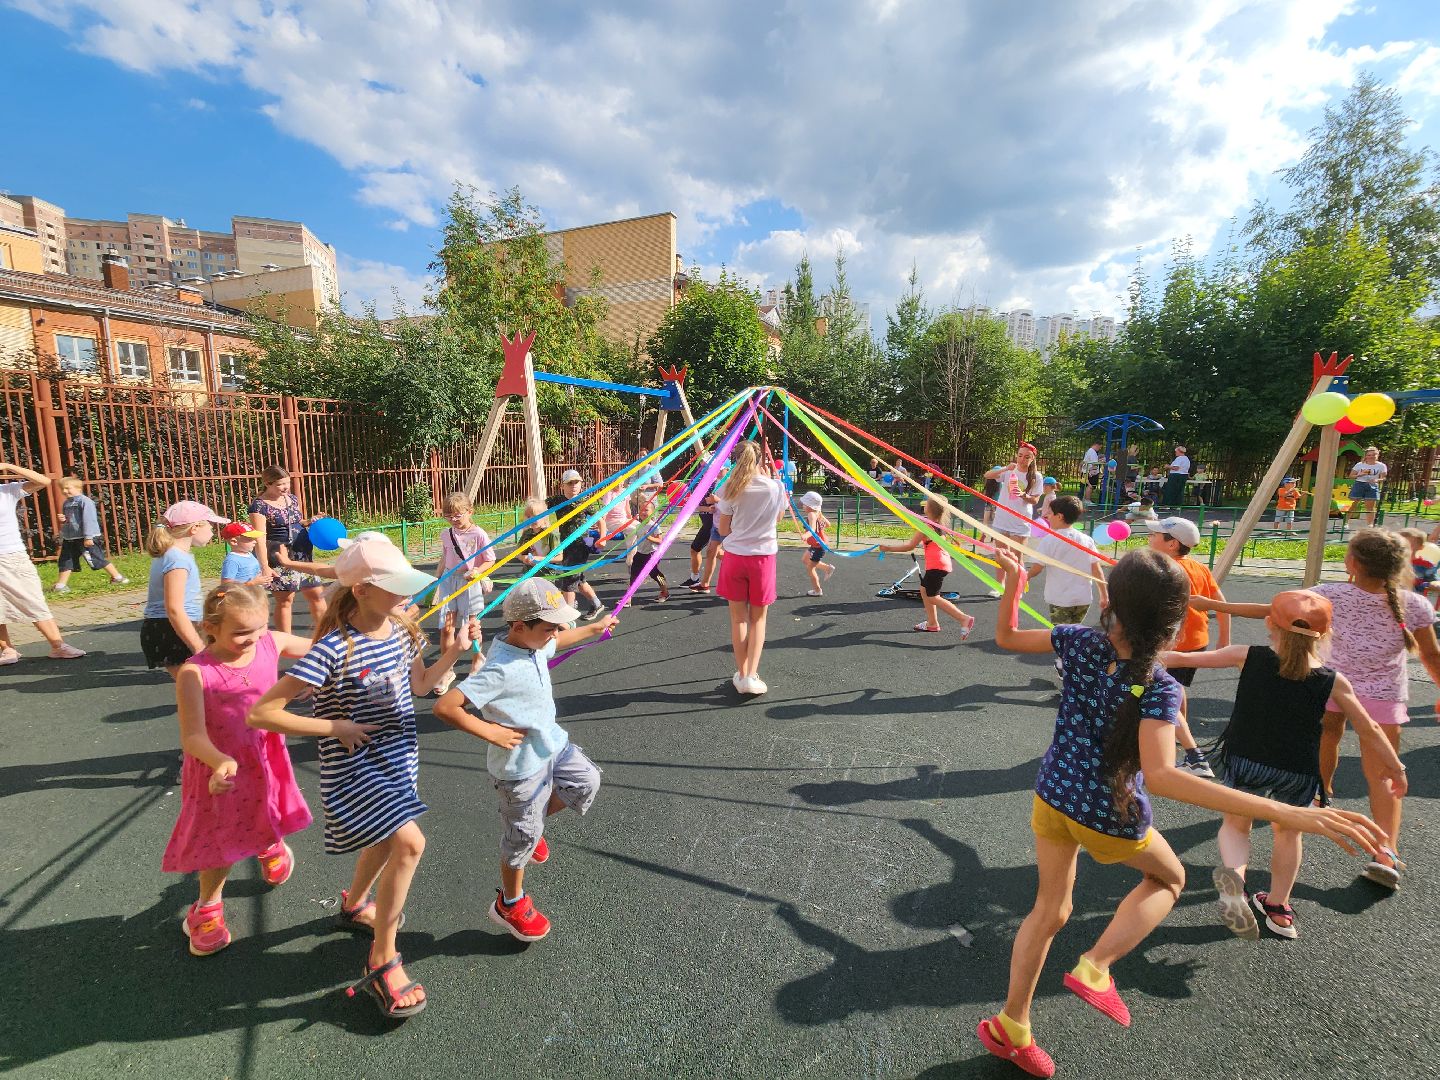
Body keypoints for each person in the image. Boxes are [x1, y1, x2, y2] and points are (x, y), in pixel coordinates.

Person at [980, 547, 1390, 1078]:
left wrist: (1014, 581)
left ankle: (1013, 1026)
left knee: (1050, 910)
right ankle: (1096, 967)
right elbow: (1165, 777)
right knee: (1168, 879)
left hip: (1053, 795)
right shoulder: (1159, 686)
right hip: (1107, 812)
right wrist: (1293, 814)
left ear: (1110, 604)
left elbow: (1008, 636)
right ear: (1176, 620)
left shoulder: (1079, 640)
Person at [248, 539, 473, 1019]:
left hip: (398, 758)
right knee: (409, 844)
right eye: (395, 586)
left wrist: (453, 653)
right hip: (354, 767)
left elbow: (419, 685)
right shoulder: (333, 649)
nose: (406, 594)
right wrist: (336, 727)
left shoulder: (403, 629)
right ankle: (382, 958)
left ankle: (353, 906)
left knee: (386, 840)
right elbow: (262, 713)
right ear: (363, 590)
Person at [1162, 590, 1407, 940]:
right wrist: (1395, 767)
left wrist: (1133, 652)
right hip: (1297, 769)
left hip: (1247, 757)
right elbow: (1369, 728)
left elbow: (1178, 658)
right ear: (1325, 635)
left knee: (1236, 825)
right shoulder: (1333, 680)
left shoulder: (1247, 655)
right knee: (1289, 832)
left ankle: (1235, 886)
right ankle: (1279, 909)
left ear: (1269, 623)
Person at [433, 578, 617, 941]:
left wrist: (594, 628)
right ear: (519, 626)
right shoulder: (500, 669)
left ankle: (531, 825)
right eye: (550, 628)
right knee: (521, 841)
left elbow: (557, 642)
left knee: (585, 782)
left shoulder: (534, 644)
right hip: (519, 768)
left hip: (551, 745)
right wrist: (491, 732)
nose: (555, 634)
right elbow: (445, 706)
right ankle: (509, 902)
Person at [163, 584, 316, 956]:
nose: (254, 638)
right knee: (219, 840)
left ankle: (268, 842)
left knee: (267, 807)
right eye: (242, 632)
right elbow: (192, 737)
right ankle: (206, 909)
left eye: (260, 627)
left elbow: (321, 649)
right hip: (219, 772)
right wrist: (220, 762)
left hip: (263, 755)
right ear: (210, 628)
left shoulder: (269, 643)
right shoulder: (195, 673)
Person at [1312, 528, 1440, 889]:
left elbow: (1286, 616)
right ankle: (1387, 853)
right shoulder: (1415, 604)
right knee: (1383, 773)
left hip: (1332, 686)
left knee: (1327, 735)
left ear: (1352, 563)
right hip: (1383, 696)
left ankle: (1320, 794)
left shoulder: (1326, 594)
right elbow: (1431, 655)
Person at [1145, 517, 1226, 777]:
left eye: (1155, 535)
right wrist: (1224, 638)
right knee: (1176, 688)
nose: (1149, 537)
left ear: (1172, 544)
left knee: (1162, 690)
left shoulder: (1164, 571)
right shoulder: (1199, 568)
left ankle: (1193, 755)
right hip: (1196, 642)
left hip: (1172, 644)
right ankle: (1180, 735)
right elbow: (1220, 603)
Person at [716, 441, 787, 695]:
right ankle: (750, 676)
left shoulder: (730, 487)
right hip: (763, 558)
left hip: (735, 557)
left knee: (738, 619)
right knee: (758, 619)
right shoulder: (776, 487)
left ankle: (742, 672)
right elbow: (778, 519)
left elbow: (723, 529)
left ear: (735, 460)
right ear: (760, 460)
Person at [0, 462, 86, 664]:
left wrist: (8, 466)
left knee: (32, 599)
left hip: (10, 555)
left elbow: (43, 481)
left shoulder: (7, 491)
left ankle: (58, 645)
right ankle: (7, 650)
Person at [143, 501, 227, 678]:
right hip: (173, 630)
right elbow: (174, 609)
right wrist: (197, 646)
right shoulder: (177, 560)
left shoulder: (175, 555)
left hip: (174, 626)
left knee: (199, 686)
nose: (213, 531)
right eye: (210, 525)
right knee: (198, 685)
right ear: (194, 528)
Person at [876, 497, 977, 637]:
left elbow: (910, 546)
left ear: (928, 509)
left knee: (933, 597)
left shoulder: (925, 527)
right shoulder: (938, 525)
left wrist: (888, 548)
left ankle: (963, 618)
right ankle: (932, 623)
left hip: (936, 565)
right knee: (924, 590)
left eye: (926, 504)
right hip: (941, 563)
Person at [248, 465, 328, 635]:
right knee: (286, 600)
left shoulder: (291, 498)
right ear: (267, 484)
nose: (285, 487)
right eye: (280, 484)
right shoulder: (259, 506)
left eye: (287, 483)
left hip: (302, 553)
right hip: (279, 555)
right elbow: (259, 538)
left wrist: (311, 521)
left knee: (317, 594)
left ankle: (325, 635)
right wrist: (265, 567)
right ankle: (286, 640)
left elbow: (297, 522)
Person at [432, 491, 496, 695]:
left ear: (470, 511)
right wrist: (436, 579)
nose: (453, 520)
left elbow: (490, 559)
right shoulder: (446, 534)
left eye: (458, 515)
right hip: (449, 580)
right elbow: (445, 557)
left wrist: (477, 571)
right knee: (446, 628)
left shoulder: (478, 534)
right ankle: (446, 670)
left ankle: (477, 660)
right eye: (448, 516)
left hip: (469, 581)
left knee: (471, 626)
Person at [1026, 496, 1107, 630]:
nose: (1047, 516)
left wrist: (1026, 576)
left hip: (1060, 599)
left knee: (1062, 635)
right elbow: (1096, 569)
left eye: (1050, 513)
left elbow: (1037, 568)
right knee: (1074, 632)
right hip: (1083, 599)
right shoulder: (1086, 540)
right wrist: (1104, 595)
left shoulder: (1049, 541)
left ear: (1060, 516)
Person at [547, 470, 605, 621]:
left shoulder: (585, 500)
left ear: (581, 484)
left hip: (582, 543)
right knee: (578, 579)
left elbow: (600, 520)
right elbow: (540, 508)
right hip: (566, 544)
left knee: (569, 579)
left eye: (576, 482)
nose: (574, 486)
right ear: (562, 486)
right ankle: (597, 604)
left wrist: (602, 538)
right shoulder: (557, 500)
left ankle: (569, 616)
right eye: (570, 483)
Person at [52, 476, 127, 591]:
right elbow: (71, 520)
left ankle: (117, 577)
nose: (64, 491)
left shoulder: (85, 502)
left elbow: (89, 520)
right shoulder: (66, 503)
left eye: (67, 488)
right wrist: (64, 519)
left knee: (96, 558)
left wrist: (88, 537)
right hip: (70, 537)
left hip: (86, 537)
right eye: (62, 488)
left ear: (78, 488)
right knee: (66, 559)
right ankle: (61, 585)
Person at [985, 445, 1042, 552]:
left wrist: (1022, 494)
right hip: (1002, 520)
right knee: (1001, 556)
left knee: (1016, 558)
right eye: (1020, 455)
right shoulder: (1009, 470)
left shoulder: (1036, 476)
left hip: (1020, 523)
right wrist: (1006, 468)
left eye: (1026, 457)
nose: (1022, 459)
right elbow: (987, 475)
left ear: (1032, 459)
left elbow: (1035, 500)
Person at [627, 489, 670, 603]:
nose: (643, 512)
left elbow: (660, 541)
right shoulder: (639, 525)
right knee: (634, 574)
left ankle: (665, 592)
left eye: (646, 510)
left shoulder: (654, 526)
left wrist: (649, 538)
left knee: (655, 574)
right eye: (641, 510)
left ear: (652, 512)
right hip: (640, 553)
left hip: (651, 554)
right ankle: (628, 597)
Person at [798, 491, 836, 597]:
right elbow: (828, 524)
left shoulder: (811, 514)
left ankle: (817, 590)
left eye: (804, 504)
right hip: (817, 545)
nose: (803, 506)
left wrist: (806, 535)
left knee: (810, 568)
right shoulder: (818, 512)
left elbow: (812, 530)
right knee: (805, 560)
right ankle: (827, 568)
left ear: (810, 506)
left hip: (818, 546)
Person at [681, 487, 720, 589]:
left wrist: (713, 505)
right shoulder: (699, 484)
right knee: (716, 552)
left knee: (697, 549)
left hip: (713, 524)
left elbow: (725, 504)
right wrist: (706, 509)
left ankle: (698, 580)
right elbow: (695, 505)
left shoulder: (718, 484)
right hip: (707, 523)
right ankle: (695, 579)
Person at [1346, 446, 1387, 526]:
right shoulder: (1359, 464)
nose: (1371, 457)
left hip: (1372, 485)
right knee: (1352, 504)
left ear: (1377, 455)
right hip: (1359, 484)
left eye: (1373, 455)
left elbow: (1383, 478)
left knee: (1370, 507)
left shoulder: (1381, 466)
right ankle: (1346, 522)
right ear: (1366, 456)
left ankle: (1370, 525)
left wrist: (1377, 480)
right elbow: (1351, 476)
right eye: (1369, 455)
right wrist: (1360, 474)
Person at [1160, 445, 1190, 510]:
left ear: (1179, 451)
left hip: (1176, 476)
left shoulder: (1179, 458)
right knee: (1179, 490)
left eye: (1176, 451)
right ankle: (1177, 505)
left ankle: (1167, 504)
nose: (1175, 453)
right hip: (1183, 475)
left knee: (1170, 490)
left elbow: (1176, 468)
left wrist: (1168, 466)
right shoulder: (1186, 459)